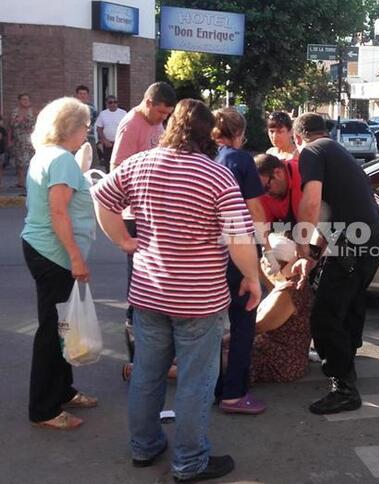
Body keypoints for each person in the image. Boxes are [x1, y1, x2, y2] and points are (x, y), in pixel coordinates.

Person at [92, 99, 261, 482]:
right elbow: (238, 236)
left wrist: (123, 240)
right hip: (199, 300)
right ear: (207, 134)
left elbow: (101, 197)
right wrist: (252, 278)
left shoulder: (140, 164)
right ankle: (190, 462)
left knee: (147, 375)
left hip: (149, 294)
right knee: (195, 383)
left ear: (171, 126)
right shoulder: (216, 176)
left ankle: (144, 446)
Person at [290, 112, 379, 415]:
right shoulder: (337, 151)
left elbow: (312, 203)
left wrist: (301, 248)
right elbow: (329, 218)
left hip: (354, 245)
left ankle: (343, 388)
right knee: (349, 305)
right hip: (372, 241)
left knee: (325, 315)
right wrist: (314, 257)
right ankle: (348, 366)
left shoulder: (311, 151)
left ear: (298, 136)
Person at [20, 97, 99, 430]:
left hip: (42, 248)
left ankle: (62, 390)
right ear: (73, 127)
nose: (88, 131)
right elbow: (58, 212)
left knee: (61, 325)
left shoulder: (48, 155)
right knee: (52, 331)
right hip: (55, 254)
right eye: (85, 126)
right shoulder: (62, 160)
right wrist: (76, 258)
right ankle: (44, 409)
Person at [109, 81, 176, 368]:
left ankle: (151, 356)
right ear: (148, 103)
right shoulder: (132, 124)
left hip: (151, 213)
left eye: (167, 115)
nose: (163, 119)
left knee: (153, 286)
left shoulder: (153, 123)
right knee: (139, 288)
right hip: (135, 216)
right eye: (160, 113)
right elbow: (117, 169)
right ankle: (137, 361)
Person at [212, 107, 267, 414]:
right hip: (238, 252)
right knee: (243, 321)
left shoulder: (205, 158)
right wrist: (265, 249)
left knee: (210, 327)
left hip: (208, 254)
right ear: (239, 134)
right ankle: (233, 392)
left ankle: (214, 386)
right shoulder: (241, 161)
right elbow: (256, 212)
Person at [250, 234, 313, 383]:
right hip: (281, 353)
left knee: (219, 358)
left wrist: (224, 340)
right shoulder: (291, 282)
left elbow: (258, 327)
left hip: (280, 361)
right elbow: (273, 286)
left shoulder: (290, 290)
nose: (266, 266)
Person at [255, 153, 303, 231]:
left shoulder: (302, 173)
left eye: (266, 188)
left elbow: (311, 215)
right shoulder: (264, 190)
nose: (266, 195)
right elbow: (265, 228)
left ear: (278, 173)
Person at [8, 93, 36, 192]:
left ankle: (31, 182)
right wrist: (9, 140)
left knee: (31, 162)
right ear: (19, 101)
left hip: (30, 141)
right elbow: (11, 126)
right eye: (23, 99)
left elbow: (34, 125)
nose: (25, 101)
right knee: (19, 163)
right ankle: (21, 182)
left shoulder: (31, 112)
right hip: (18, 141)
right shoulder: (15, 112)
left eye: (27, 99)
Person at [94, 94, 127, 172]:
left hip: (120, 142)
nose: (113, 104)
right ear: (107, 103)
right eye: (110, 102)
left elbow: (127, 128)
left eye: (115, 102)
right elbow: (99, 128)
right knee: (108, 163)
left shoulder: (123, 113)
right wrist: (104, 140)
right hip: (108, 143)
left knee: (120, 162)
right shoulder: (103, 114)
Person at [75, 85, 99, 168]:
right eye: (80, 93)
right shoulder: (72, 107)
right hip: (75, 137)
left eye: (84, 94)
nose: (82, 95)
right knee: (76, 160)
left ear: (87, 95)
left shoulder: (92, 108)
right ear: (77, 95)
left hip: (89, 137)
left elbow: (94, 120)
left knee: (91, 160)